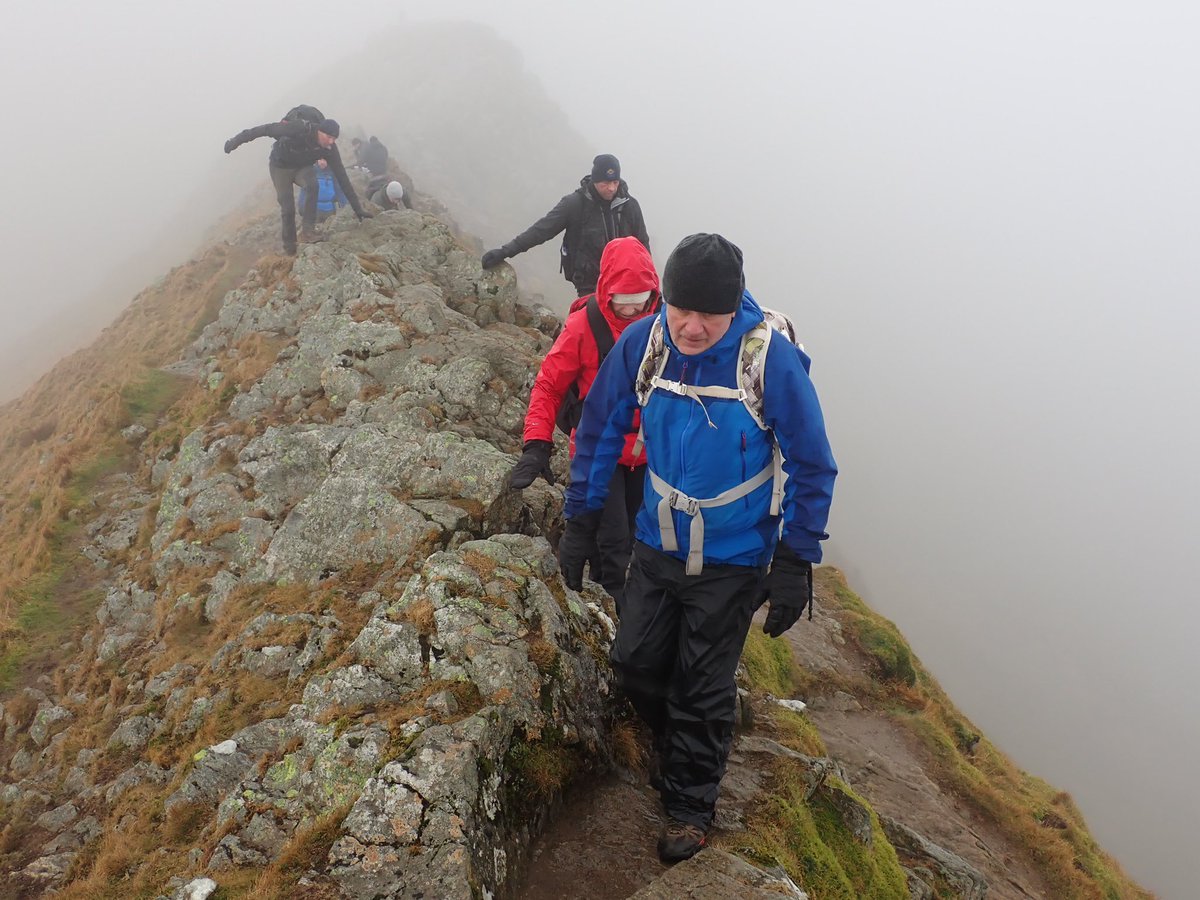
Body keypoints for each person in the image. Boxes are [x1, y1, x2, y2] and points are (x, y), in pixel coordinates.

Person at [558, 233, 836, 863]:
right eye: (680, 309)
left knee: (701, 684)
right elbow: (599, 427)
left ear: (733, 307)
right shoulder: (646, 342)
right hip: (657, 541)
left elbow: (813, 463)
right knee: (635, 662)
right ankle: (678, 745)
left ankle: (689, 804)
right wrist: (581, 518)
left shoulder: (767, 361)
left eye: (708, 315)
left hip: (734, 556)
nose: (690, 326)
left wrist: (795, 559)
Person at [509, 236, 659, 607]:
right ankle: (606, 612)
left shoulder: (665, 326)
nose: (632, 309)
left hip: (647, 454)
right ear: (607, 291)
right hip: (598, 449)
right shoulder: (583, 327)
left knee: (627, 533)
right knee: (614, 542)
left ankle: (589, 595)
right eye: (623, 300)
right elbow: (548, 385)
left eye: (641, 299)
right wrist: (537, 444)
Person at [480, 154, 650, 297]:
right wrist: (505, 251)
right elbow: (541, 230)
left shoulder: (629, 206)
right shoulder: (575, 204)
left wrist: (650, 283)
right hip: (589, 286)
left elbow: (643, 245)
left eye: (615, 183)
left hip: (624, 285)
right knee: (592, 325)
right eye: (605, 184)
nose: (611, 188)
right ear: (595, 181)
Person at [224, 106, 371, 255]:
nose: (331, 142)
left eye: (334, 139)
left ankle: (308, 232)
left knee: (313, 185)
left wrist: (358, 210)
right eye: (329, 137)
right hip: (280, 168)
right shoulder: (298, 128)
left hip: (302, 168)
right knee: (287, 208)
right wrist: (235, 141)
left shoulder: (329, 149)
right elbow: (264, 129)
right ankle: (290, 248)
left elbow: (342, 178)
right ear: (320, 131)